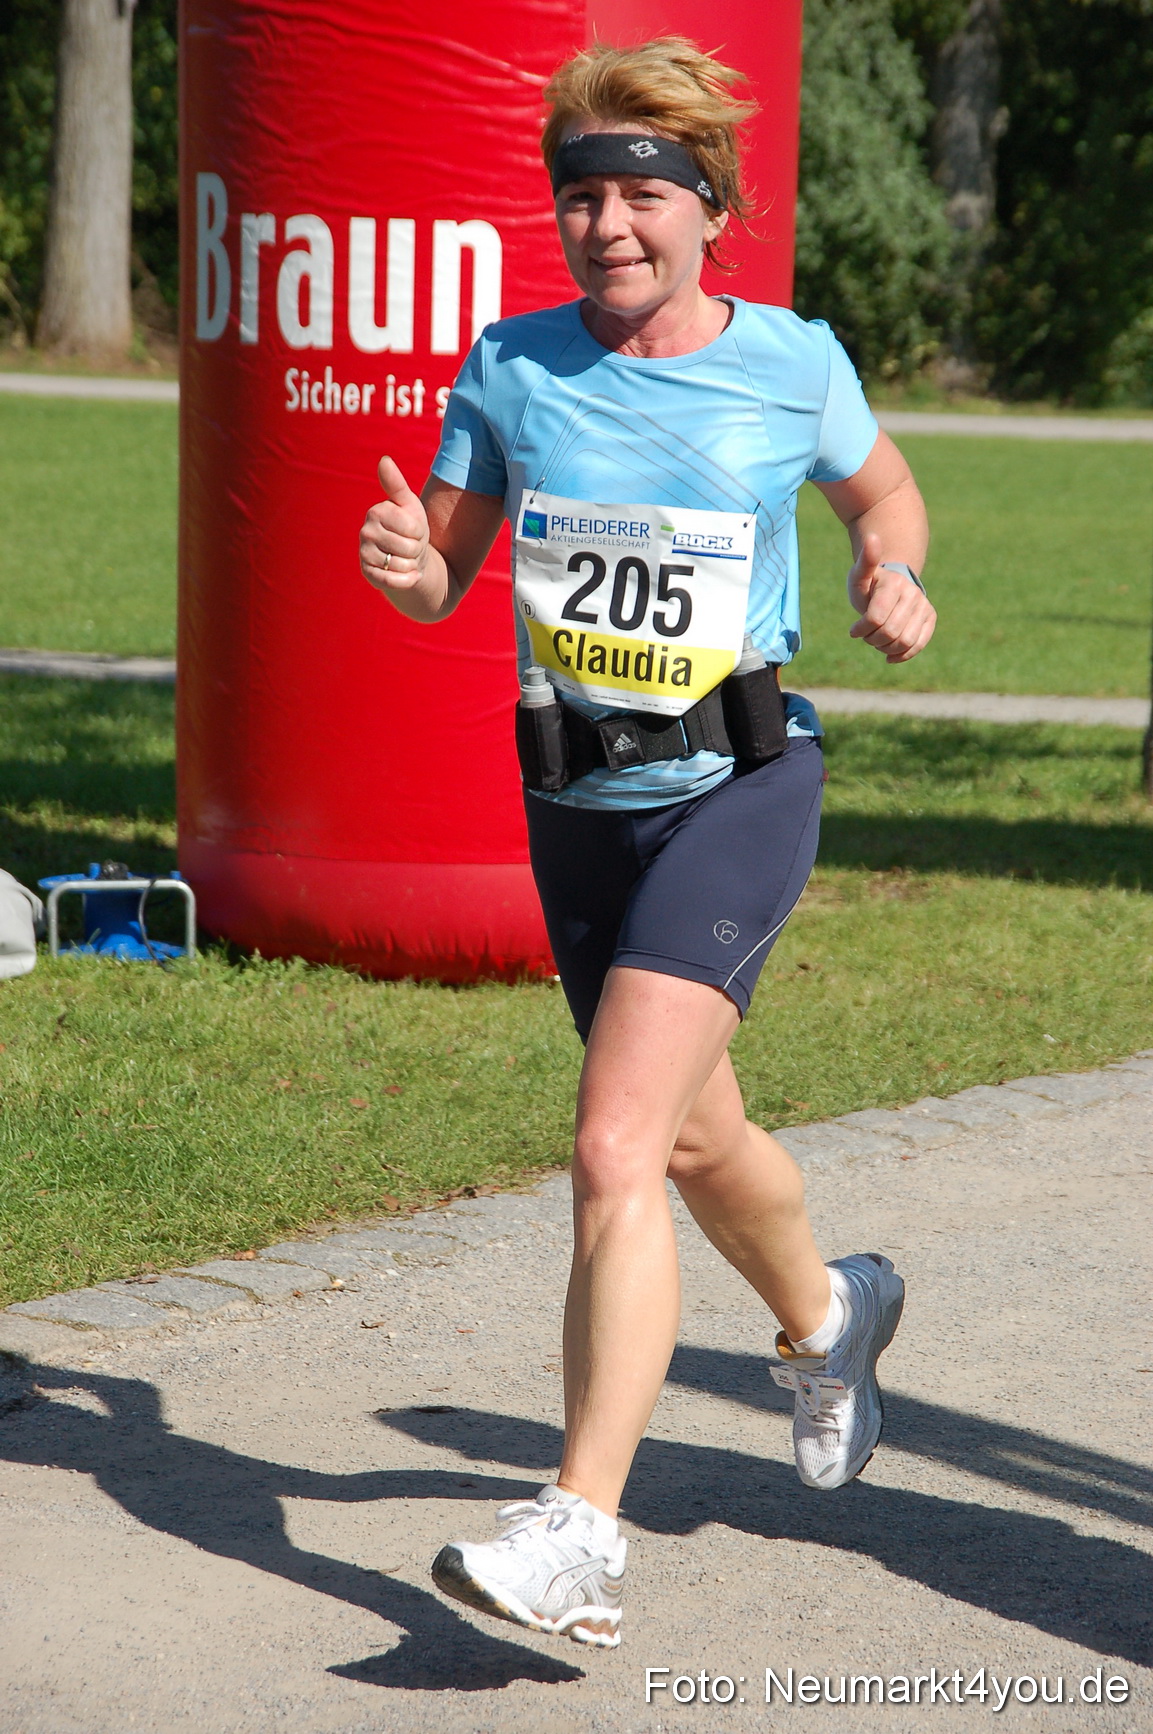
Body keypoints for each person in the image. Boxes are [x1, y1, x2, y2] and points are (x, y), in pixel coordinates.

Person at [359, 37, 935, 1651]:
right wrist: (407, 561)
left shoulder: (790, 362)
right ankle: (830, 1313)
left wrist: (892, 571)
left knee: (614, 1141)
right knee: (687, 1137)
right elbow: (441, 577)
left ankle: (577, 1530)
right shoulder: (511, 366)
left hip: (738, 787)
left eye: (640, 197)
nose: (606, 226)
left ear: (709, 211)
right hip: (576, 812)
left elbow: (884, 495)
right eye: (579, 200)